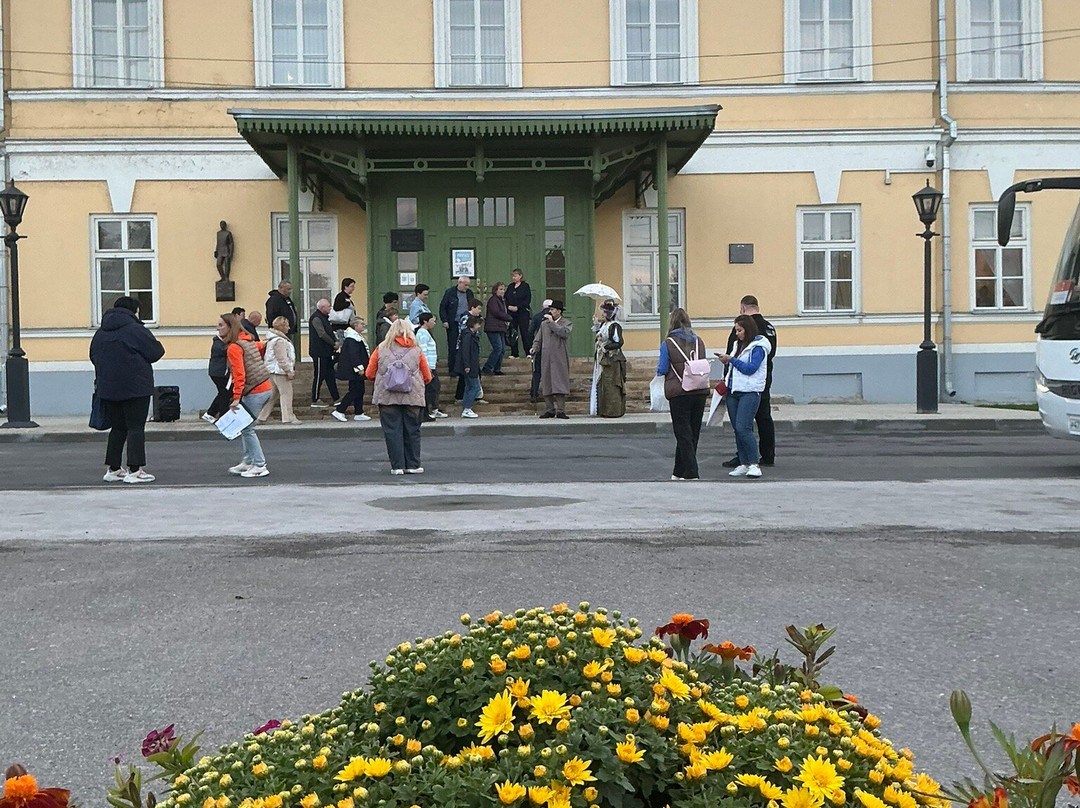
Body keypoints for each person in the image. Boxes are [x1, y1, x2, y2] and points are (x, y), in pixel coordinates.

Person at [89, 296, 165, 483]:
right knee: (135, 427)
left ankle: (113, 468)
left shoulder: (100, 332)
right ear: (134, 311)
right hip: (135, 387)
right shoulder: (135, 330)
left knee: (118, 428)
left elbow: (93, 356)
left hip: (108, 388)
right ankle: (135, 469)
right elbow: (156, 352)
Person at [365, 318, 432, 475]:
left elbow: (369, 373)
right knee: (412, 430)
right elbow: (427, 375)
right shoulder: (417, 350)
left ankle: (397, 466)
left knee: (392, 431)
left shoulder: (381, 349)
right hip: (412, 396)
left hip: (387, 396)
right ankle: (413, 465)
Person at [723, 295, 777, 468]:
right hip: (765, 378)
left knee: (743, 422)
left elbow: (733, 354)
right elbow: (772, 354)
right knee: (764, 418)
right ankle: (768, 456)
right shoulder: (769, 328)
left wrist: (728, 372)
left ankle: (745, 457)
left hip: (744, 382)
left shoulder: (743, 328)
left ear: (743, 308)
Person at [656, 308, 709, 481]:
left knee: (683, 433)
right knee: (693, 431)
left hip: (679, 391)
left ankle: (692, 472)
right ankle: (679, 471)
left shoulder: (668, 343)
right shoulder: (698, 341)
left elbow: (662, 369)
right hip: (699, 390)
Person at [717, 314, 771, 479]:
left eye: (739, 330)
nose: (737, 333)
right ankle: (744, 463)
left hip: (750, 391)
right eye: (736, 330)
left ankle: (754, 464)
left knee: (744, 428)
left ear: (748, 330)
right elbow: (735, 366)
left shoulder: (759, 347)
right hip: (734, 390)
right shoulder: (737, 345)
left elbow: (751, 368)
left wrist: (731, 360)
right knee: (737, 429)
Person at [221, 313, 273, 478]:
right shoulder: (247, 341)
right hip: (265, 387)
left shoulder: (234, 348)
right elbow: (259, 346)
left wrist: (236, 398)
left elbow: (239, 375)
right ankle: (248, 461)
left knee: (248, 428)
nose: (217, 328)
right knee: (245, 427)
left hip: (255, 391)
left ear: (230, 328)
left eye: (221, 325)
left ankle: (259, 464)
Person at [531, 299, 572, 419]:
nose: (550, 311)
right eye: (550, 309)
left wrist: (552, 323)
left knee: (560, 382)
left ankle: (561, 410)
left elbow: (563, 333)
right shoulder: (544, 324)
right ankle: (550, 409)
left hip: (559, 357)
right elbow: (538, 338)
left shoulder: (566, 323)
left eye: (553, 309)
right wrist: (534, 348)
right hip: (546, 356)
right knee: (547, 382)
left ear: (559, 311)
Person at [258, 316, 300, 424]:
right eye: (287, 325)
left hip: (272, 370)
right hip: (280, 371)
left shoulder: (272, 338)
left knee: (273, 395)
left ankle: (262, 416)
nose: (289, 327)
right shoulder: (280, 341)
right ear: (282, 327)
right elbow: (282, 358)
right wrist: (288, 370)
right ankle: (288, 417)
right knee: (286, 394)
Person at [333, 316, 372, 422]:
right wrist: (359, 368)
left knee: (360, 390)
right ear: (355, 325)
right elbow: (354, 355)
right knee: (355, 391)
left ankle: (359, 412)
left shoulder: (356, 337)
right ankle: (340, 410)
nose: (363, 326)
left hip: (356, 369)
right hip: (353, 370)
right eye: (361, 324)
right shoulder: (352, 339)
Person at [592, 299, 626, 418]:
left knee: (611, 384)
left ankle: (613, 410)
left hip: (612, 360)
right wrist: (596, 325)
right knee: (603, 384)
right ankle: (603, 409)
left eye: (605, 312)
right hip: (602, 358)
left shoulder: (614, 326)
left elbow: (618, 342)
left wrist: (605, 346)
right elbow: (600, 336)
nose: (602, 314)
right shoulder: (604, 325)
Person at [439, 276, 472, 384]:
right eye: (465, 285)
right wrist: (445, 320)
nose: (467, 287)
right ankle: (452, 368)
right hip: (453, 323)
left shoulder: (469, 293)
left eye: (468, 285)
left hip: (466, 322)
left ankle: (463, 366)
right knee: (453, 346)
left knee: (465, 345)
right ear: (459, 283)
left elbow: (472, 306)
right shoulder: (450, 292)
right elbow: (443, 307)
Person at [308, 298, 340, 408]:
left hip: (326, 352)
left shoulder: (324, 318)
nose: (330, 308)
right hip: (319, 352)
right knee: (319, 375)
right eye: (328, 306)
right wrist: (333, 343)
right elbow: (322, 334)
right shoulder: (316, 318)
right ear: (322, 308)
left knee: (330, 376)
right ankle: (315, 399)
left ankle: (336, 398)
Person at [416, 312, 448, 419]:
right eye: (432, 320)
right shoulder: (422, 334)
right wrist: (427, 368)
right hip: (428, 367)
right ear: (425, 321)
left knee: (434, 388)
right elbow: (423, 351)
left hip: (431, 366)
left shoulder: (426, 333)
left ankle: (432, 409)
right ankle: (427, 411)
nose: (434, 323)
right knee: (431, 389)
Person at [454, 297, 483, 401]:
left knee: (471, 374)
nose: (480, 311)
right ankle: (462, 396)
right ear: (472, 308)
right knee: (466, 375)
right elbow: (463, 334)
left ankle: (474, 395)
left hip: (472, 348)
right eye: (478, 309)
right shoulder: (466, 318)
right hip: (466, 348)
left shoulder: (475, 318)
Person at [455, 314, 483, 419]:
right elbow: (465, 351)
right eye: (478, 324)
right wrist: (467, 365)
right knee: (474, 386)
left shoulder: (467, 334)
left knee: (469, 387)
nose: (479, 326)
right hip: (470, 365)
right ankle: (467, 408)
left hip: (469, 364)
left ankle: (466, 408)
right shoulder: (468, 335)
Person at [482, 281, 512, 375]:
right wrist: (508, 317)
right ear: (495, 290)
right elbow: (496, 312)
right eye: (500, 289)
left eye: (503, 289)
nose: (502, 291)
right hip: (493, 327)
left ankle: (497, 368)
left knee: (502, 349)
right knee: (498, 348)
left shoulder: (501, 301)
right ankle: (488, 367)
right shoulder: (493, 300)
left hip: (500, 327)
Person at [203, 330, 231, 423]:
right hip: (218, 373)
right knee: (224, 393)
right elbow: (225, 351)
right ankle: (221, 415)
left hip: (219, 372)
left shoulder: (220, 342)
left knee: (223, 393)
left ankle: (211, 413)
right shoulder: (217, 343)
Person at [505, 268, 533, 357]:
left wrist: (518, 307)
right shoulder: (510, 286)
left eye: (515, 276)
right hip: (512, 314)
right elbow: (505, 298)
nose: (513, 278)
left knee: (525, 332)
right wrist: (508, 306)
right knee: (513, 332)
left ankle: (528, 352)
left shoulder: (525, 286)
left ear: (520, 276)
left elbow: (527, 299)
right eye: (512, 276)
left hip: (522, 313)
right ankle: (514, 353)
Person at [529, 299, 552, 403]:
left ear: (543, 306)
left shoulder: (537, 316)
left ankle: (534, 392)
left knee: (537, 371)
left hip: (540, 348)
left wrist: (533, 346)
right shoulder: (555, 318)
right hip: (552, 349)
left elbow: (530, 332)